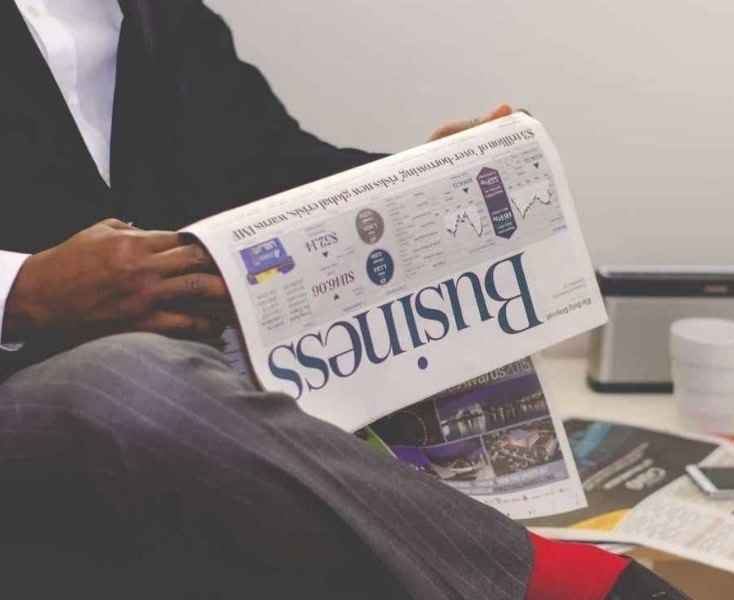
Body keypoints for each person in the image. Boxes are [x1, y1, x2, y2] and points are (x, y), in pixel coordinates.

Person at [0, 1, 689, 598]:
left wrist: (415, 180)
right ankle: (570, 585)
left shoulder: (163, 14)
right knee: (129, 381)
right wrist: (23, 291)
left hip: (193, 401)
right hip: (76, 395)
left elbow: (267, 170)